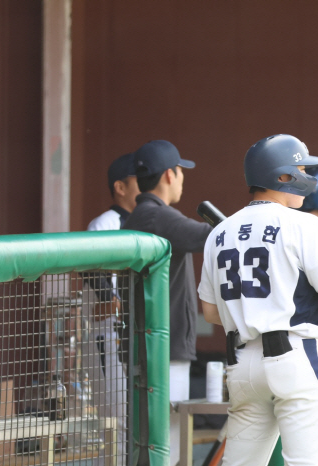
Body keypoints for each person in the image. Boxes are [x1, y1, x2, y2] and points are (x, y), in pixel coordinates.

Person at [197, 134, 318, 465]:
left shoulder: (219, 233)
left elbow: (211, 312)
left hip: (242, 367)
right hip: (298, 359)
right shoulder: (304, 224)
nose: (306, 176)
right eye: (300, 168)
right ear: (282, 176)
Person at [122, 140, 212, 466]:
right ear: (170, 175)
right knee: (167, 446)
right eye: (180, 171)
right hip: (164, 351)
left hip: (150, 350)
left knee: (152, 443)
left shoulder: (140, 215)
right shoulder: (157, 216)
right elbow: (211, 235)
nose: (183, 178)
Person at [83, 152, 139, 466]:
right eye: (136, 181)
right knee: (116, 421)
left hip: (133, 339)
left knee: (135, 420)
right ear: (120, 186)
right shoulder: (104, 224)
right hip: (108, 339)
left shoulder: (145, 222)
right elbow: (98, 287)